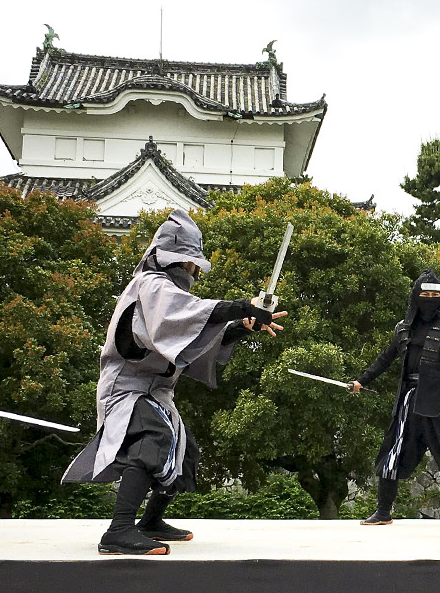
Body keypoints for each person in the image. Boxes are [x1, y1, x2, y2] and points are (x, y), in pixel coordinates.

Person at [62, 210, 285, 556]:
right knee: (155, 438)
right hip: (128, 388)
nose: (196, 271)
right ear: (183, 261)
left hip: (155, 393)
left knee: (184, 451)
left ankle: (150, 521)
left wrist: (241, 326)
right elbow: (182, 318)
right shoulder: (151, 286)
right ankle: (118, 530)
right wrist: (243, 307)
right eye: (194, 263)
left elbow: (191, 339)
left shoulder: (164, 292)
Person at [350, 269, 440, 527]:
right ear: (415, 296)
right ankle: (383, 512)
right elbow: (385, 358)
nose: (429, 299)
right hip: (408, 402)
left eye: (434, 295)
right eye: (424, 294)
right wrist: (361, 381)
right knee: (391, 454)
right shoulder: (404, 328)